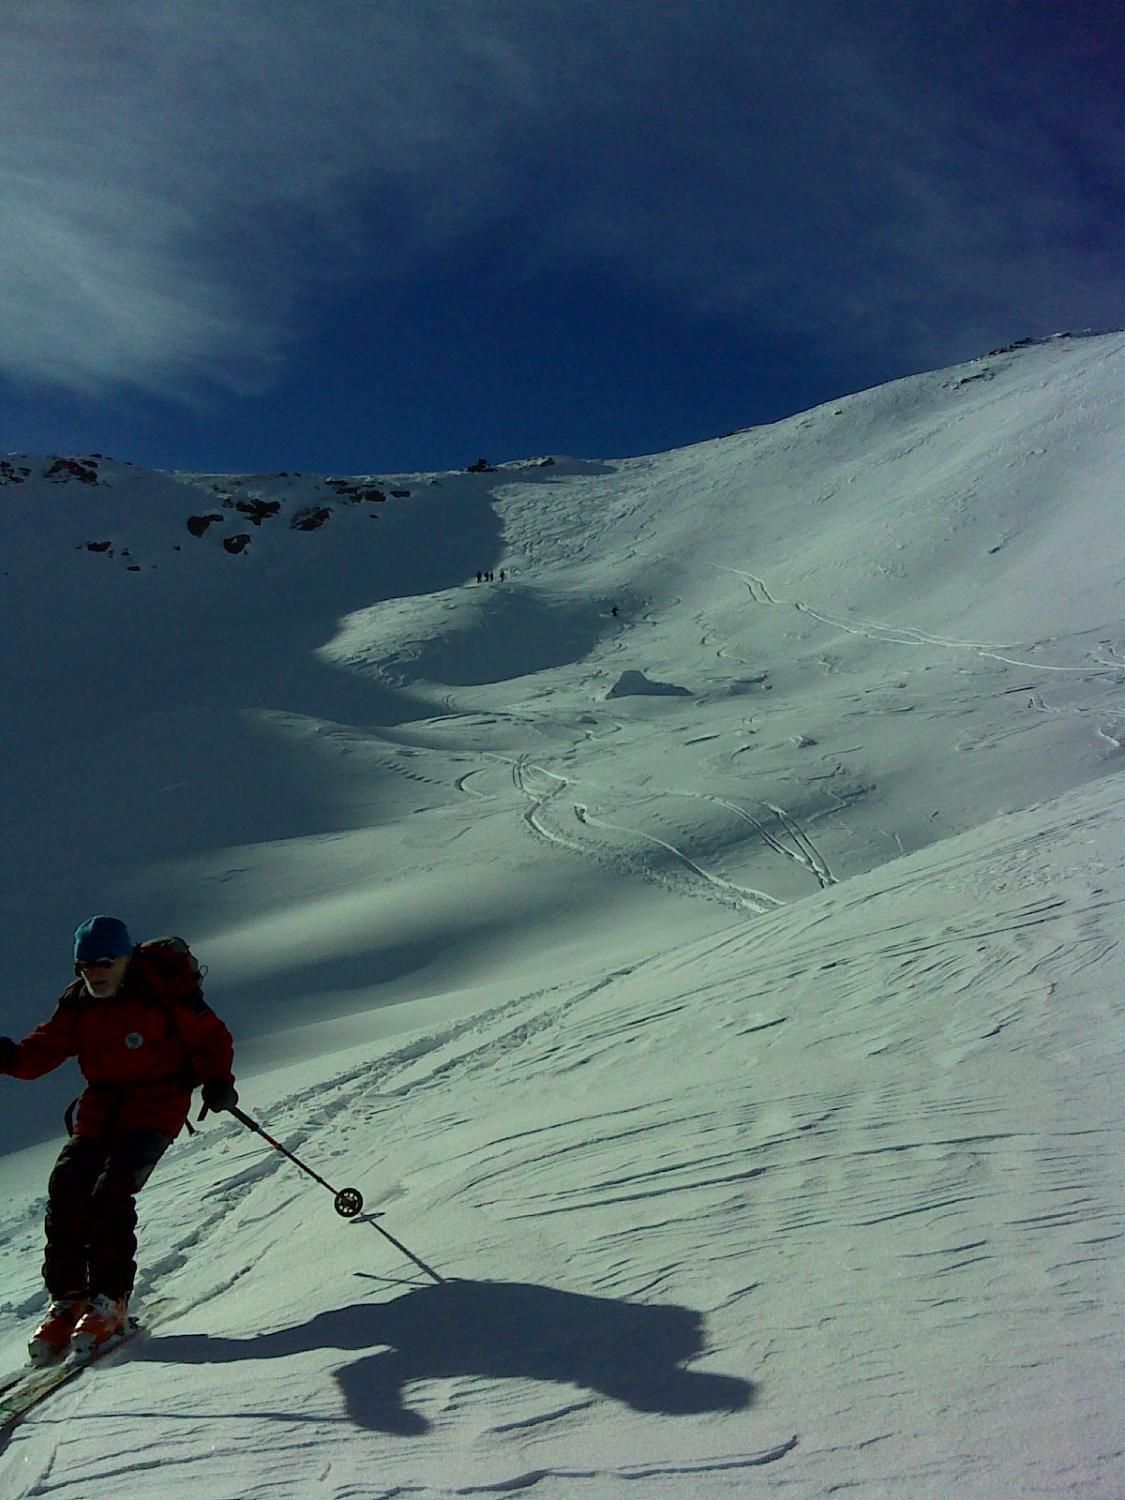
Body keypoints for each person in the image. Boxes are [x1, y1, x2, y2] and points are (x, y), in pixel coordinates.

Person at [0, 915, 237, 1362]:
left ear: (126, 959)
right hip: (101, 1111)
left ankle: (110, 1301)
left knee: (111, 1192)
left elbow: (211, 1037)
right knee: (67, 1186)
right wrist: (9, 1056)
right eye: (85, 965)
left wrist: (218, 1080)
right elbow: (43, 1050)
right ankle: (68, 1300)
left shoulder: (159, 992)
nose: (95, 973)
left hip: (157, 1108)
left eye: (104, 963)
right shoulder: (79, 1003)